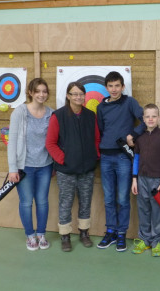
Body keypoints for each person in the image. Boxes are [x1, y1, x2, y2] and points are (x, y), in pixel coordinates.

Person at [46, 82, 100, 252]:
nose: (78, 97)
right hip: (66, 170)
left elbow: (97, 139)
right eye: (74, 94)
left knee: (85, 201)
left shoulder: (91, 116)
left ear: (85, 96)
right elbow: (50, 143)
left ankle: (84, 233)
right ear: (68, 96)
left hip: (87, 169)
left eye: (81, 94)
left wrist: (94, 156)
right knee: (65, 203)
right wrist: (63, 160)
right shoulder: (58, 116)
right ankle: (65, 235)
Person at [96, 71, 146, 252]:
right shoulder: (101, 108)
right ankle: (110, 231)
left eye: (117, 85)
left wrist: (133, 134)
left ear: (123, 87)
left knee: (123, 198)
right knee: (109, 198)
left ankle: (121, 234)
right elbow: (102, 130)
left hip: (124, 157)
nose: (114, 89)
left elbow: (145, 120)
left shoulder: (129, 102)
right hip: (106, 158)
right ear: (106, 88)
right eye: (110, 86)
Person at [7, 78, 54, 251]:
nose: (42, 94)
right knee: (26, 202)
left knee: (42, 201)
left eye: (44, 91)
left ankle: (41, 234)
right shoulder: (19, 113)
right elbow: (12, 142)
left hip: (45, 165)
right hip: (24, 166)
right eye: (38, 91)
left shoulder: (51, 113)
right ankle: (30, 235)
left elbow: (54, 141)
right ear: (31, 93)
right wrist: (13, 168)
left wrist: (55, 164)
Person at [130, 104, 160, 257]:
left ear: (159, 118)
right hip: (141, 180)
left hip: (157, 182)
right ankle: (145, 239)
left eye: (154, 116)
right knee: (143, 210)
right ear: (143, 119)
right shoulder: (139, 138)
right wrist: (134, 179)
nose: (151, 119)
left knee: (157, 211)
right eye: (147, 116)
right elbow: (136, 159)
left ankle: (156, 241)